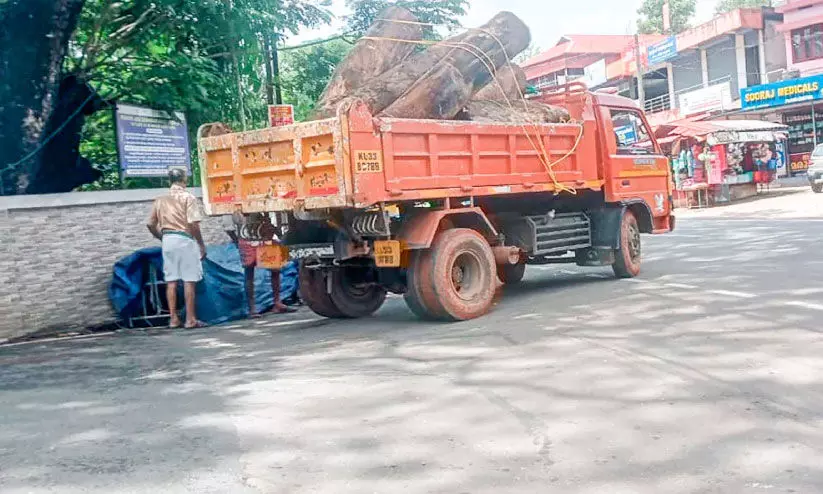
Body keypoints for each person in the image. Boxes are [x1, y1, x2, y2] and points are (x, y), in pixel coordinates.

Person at [146, 168, 207, 329]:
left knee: (171, 280)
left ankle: (173, 319)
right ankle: (190, 319)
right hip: (184, 239)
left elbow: (150, 223)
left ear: (169, 180)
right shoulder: (188, 198)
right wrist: (200, 244)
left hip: (168, 240)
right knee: (189, 280)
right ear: (184, 179)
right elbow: (193, 223)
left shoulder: (160, 199)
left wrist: (161, 237)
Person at [224, 212, 295, 318]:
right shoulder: (234, 204)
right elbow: (228, 226)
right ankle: (252, 309)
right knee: (249, 273)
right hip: (247, 238)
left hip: (266, 237)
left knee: (275, 270)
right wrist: (237, 241)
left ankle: (277, 303)